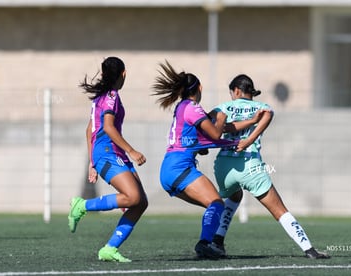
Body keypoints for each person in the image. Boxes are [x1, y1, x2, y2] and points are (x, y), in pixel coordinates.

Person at [209, 74, 330, 259]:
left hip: (224, 166)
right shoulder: (260, 107)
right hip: (251, 165)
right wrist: (249, 139)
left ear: (236, 91)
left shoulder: (223, 107)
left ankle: (217, 242)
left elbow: (209, 125)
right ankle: (309, 249)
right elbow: (269, 114)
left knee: (234, 195)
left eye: (232, 92)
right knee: (279, 210)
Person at [152, 61, 237, 259]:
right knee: (217, 203)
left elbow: (190, 138)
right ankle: (204, 244)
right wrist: (222, 119)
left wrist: (201, 148)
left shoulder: (181, 107)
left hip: (168, 171)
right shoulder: (193, 107)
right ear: (199, 88)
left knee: (213, 206)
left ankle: (208, 243)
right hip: (180, 168)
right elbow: (215, 134)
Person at [68, 56, 148, 263]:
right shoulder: (111, 96)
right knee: (133, 198)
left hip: (106, 152)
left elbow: (90, 129)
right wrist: (132, 151)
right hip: (109, 152)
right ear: (124, 74)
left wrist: (91, 161)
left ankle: (110, 248)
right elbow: (109, 128)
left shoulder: (101, 97)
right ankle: (82, 206)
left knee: (140, 203)